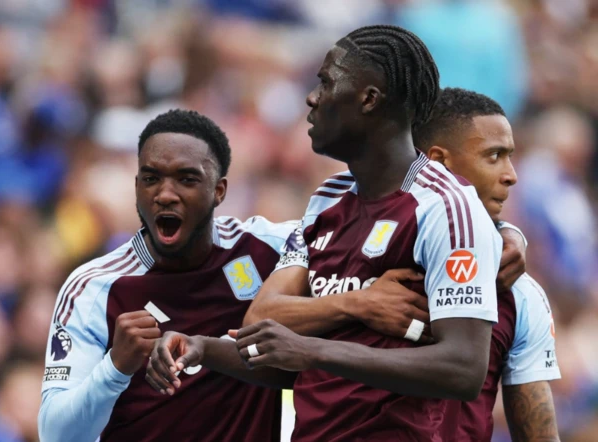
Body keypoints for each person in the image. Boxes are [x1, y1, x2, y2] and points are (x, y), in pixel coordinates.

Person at [148, 25, 503, 441]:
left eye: (327, 82)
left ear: (369, 99)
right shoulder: (327, 198)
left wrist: (312, 348)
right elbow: (264, 323)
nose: (312, 98)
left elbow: (463, 368)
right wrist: (203, 348)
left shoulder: (445, 207)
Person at [39, 109, 301, 442]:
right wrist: (115, 368)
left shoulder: (268, 249)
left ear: (219, 191)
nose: (165, 194)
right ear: (136, 188)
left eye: (186, 179)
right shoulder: (95, 287)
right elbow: (55, 434)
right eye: (151, 178)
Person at [412, 87, 561, 441]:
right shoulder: (354, 250)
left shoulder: (519, 290)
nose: (512, 175)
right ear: (438, 161)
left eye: (510, 156)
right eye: (494, 156)